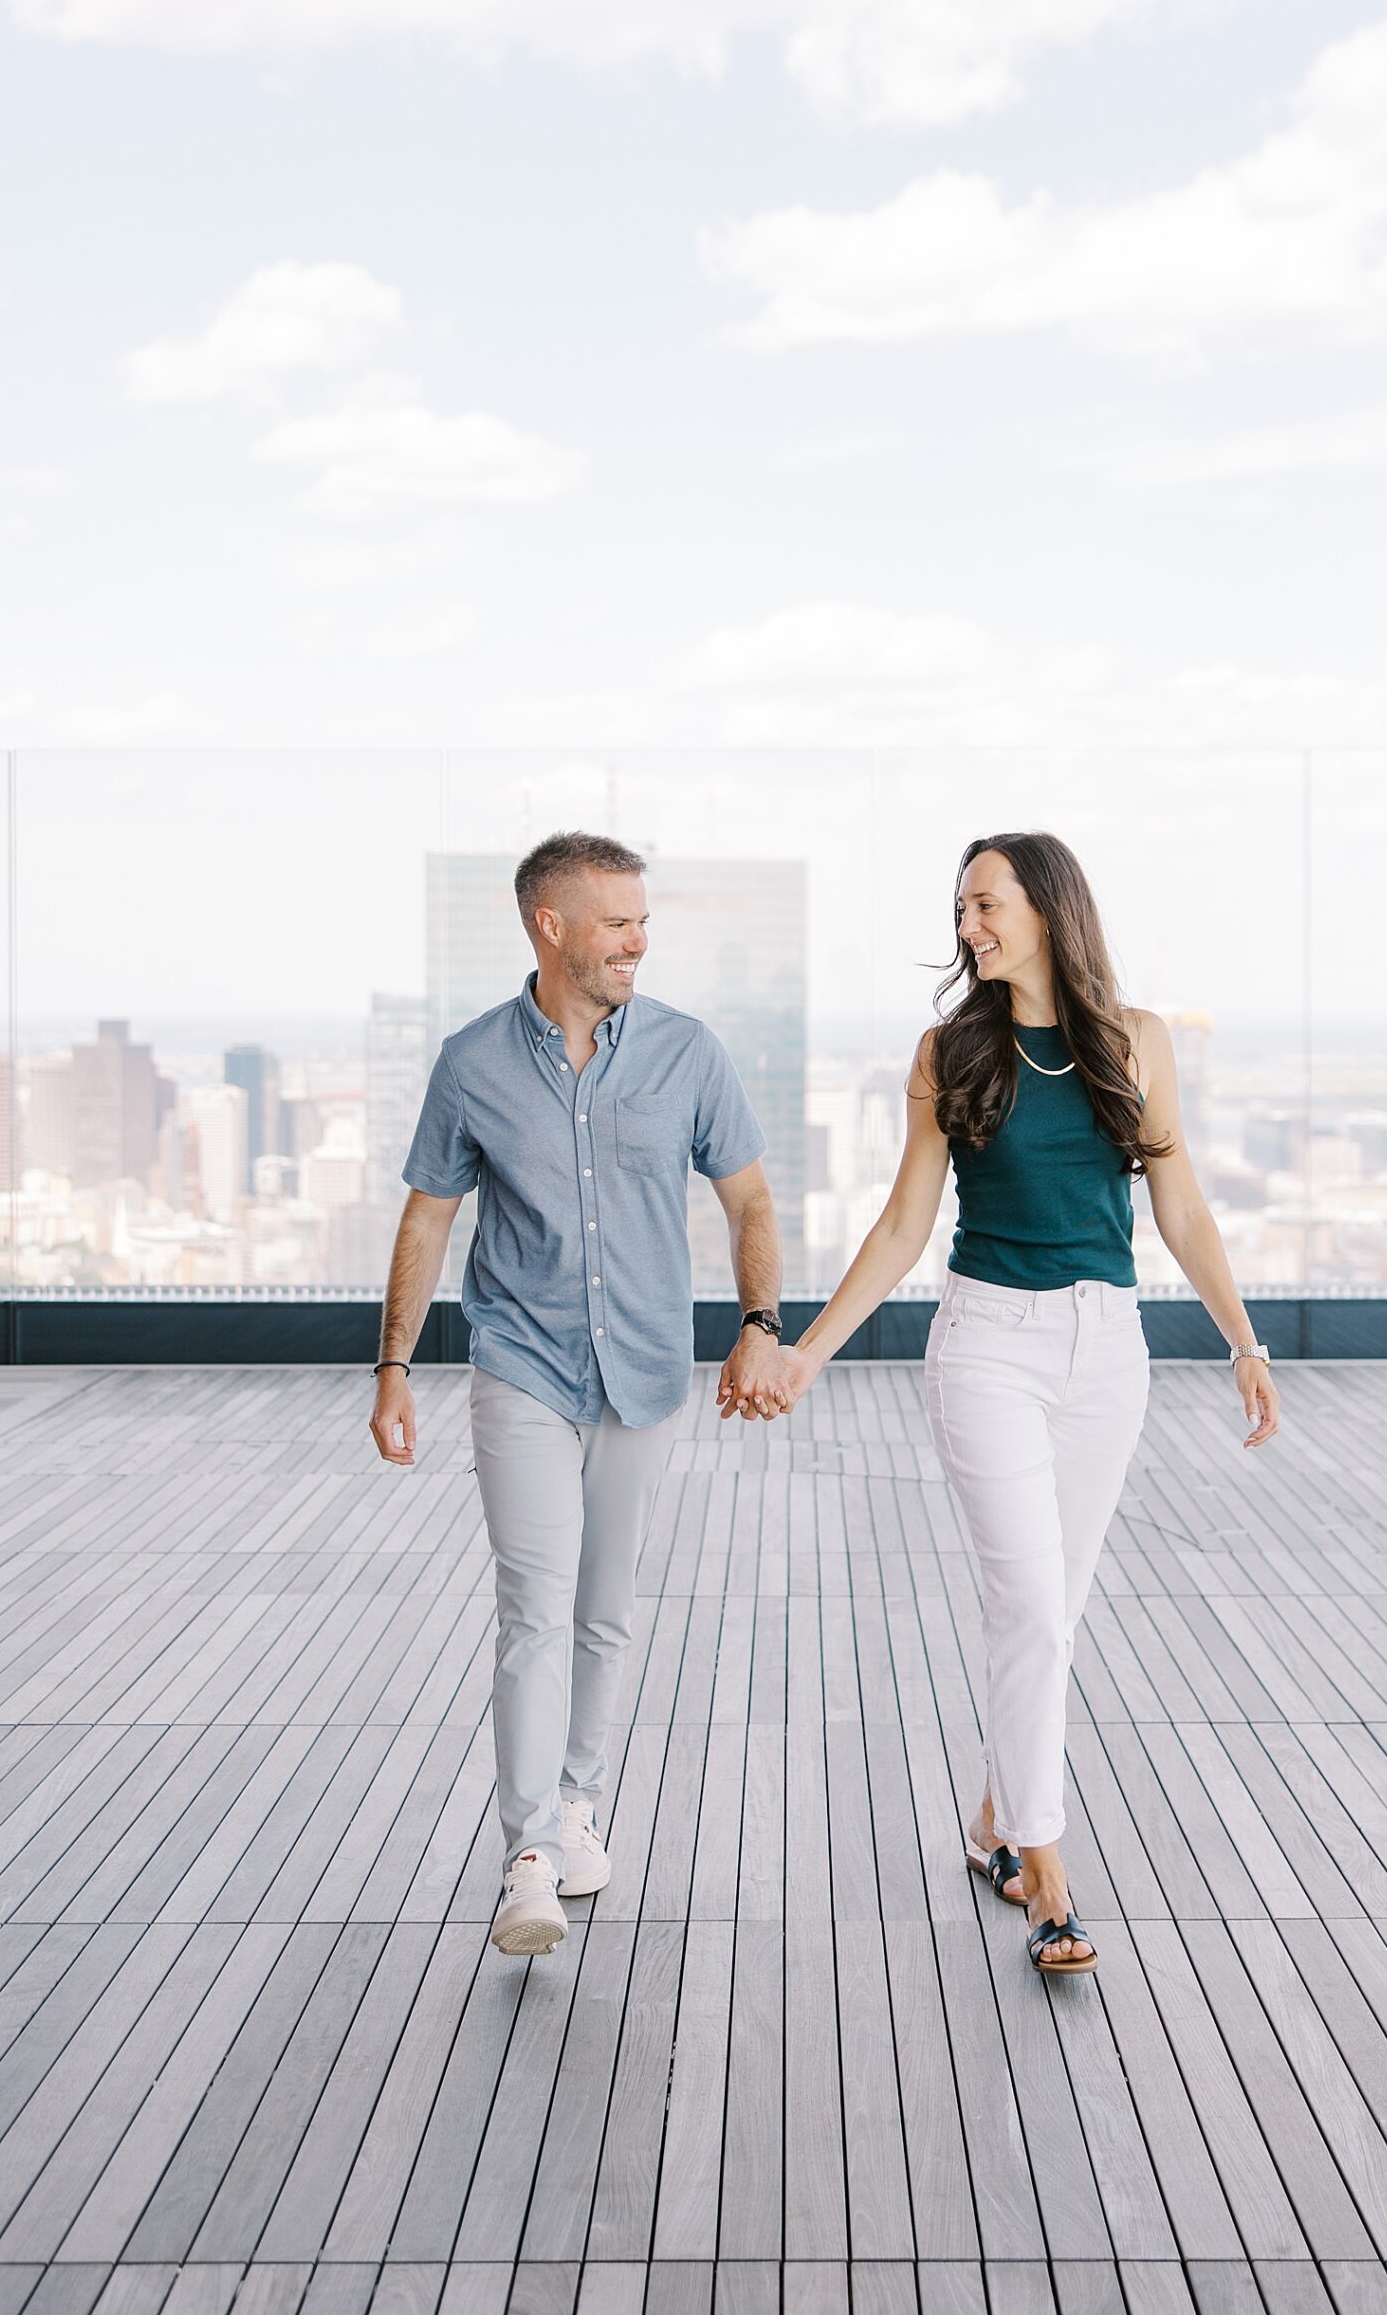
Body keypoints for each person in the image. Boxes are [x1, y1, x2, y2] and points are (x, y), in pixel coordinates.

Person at [771, 832, 1280, 1974]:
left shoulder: (1135, 1041)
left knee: (1051, 1611)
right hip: (987, 1349)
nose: (967, 926)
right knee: (1032, 1610)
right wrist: (807, 1355)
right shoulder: (947, 1050)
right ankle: (1046, 1878)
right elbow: (904, 1225)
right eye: (961, 908)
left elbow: (1182, 1206)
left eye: (986, 903)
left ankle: (995, 1815)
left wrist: (1242, 1340)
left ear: (1048, 908)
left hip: (1108, 1351)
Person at [369, 830, 791, 1958]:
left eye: (643, 919)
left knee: (604, 1608)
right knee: (533, 1599)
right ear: (549, 927)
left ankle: (576, 1804)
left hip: (645, 1365)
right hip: (521, 1361)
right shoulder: (471, 1063)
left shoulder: (688, 1054)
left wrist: (759, 1324)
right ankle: (525, 1856)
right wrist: (395, 1364)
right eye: (617, 921)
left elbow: (750, 1201)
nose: (638, 940)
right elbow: (427, 1216)